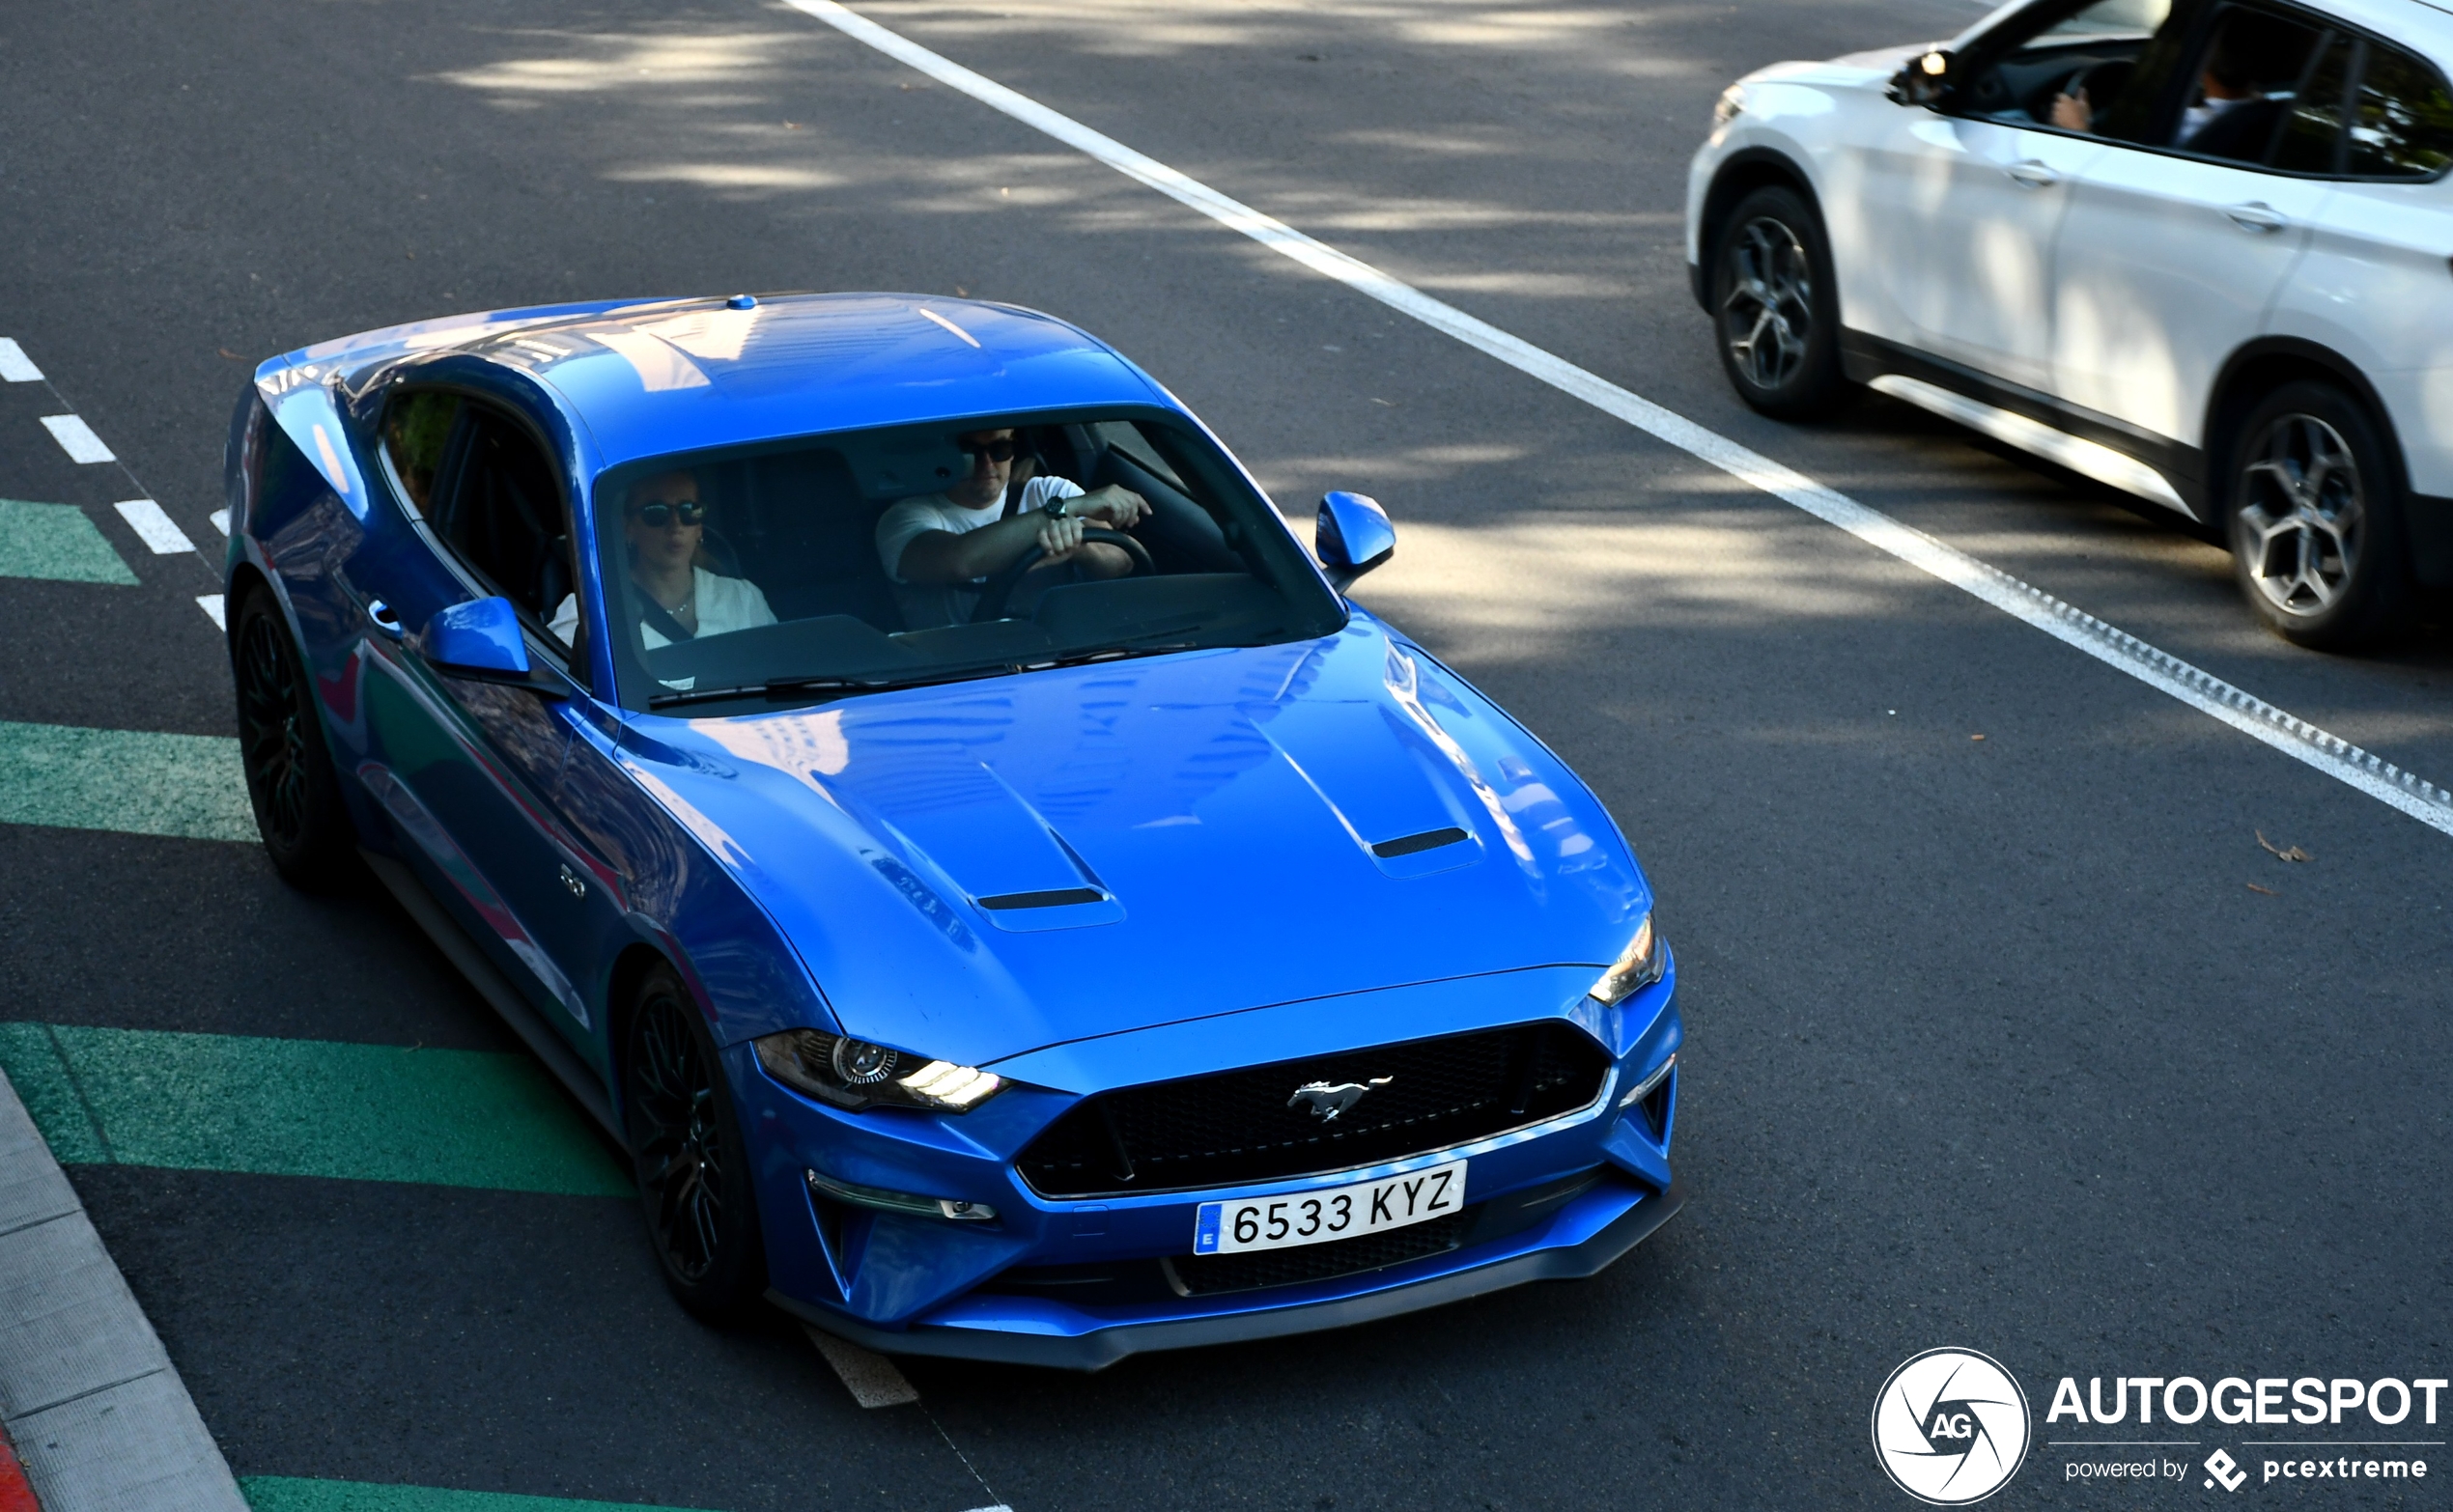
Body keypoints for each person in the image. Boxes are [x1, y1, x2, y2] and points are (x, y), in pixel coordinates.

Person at [875, 427, 1150, 628]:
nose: (987, 464)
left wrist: (1082, 551)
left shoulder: (1050, 491)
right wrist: (1068, 509)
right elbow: (959, 560)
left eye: (999, 449)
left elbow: (1123, 561)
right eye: (969, 451)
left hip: (1054, 655)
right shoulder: (905, 517)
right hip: (957, 672)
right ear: (946, 455)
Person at [550, 468, 775, 649]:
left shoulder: (742, 599)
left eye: (688, 511)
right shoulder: (592, 609)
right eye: (656, 512)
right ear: (628, 528)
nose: (675, 525)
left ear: (699, 528)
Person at [2051, 33, 2265, 146]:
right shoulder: (2269, 113)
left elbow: (2129, 178)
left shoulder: (2185, 126)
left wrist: (2079, 129)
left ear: (2200, 67)